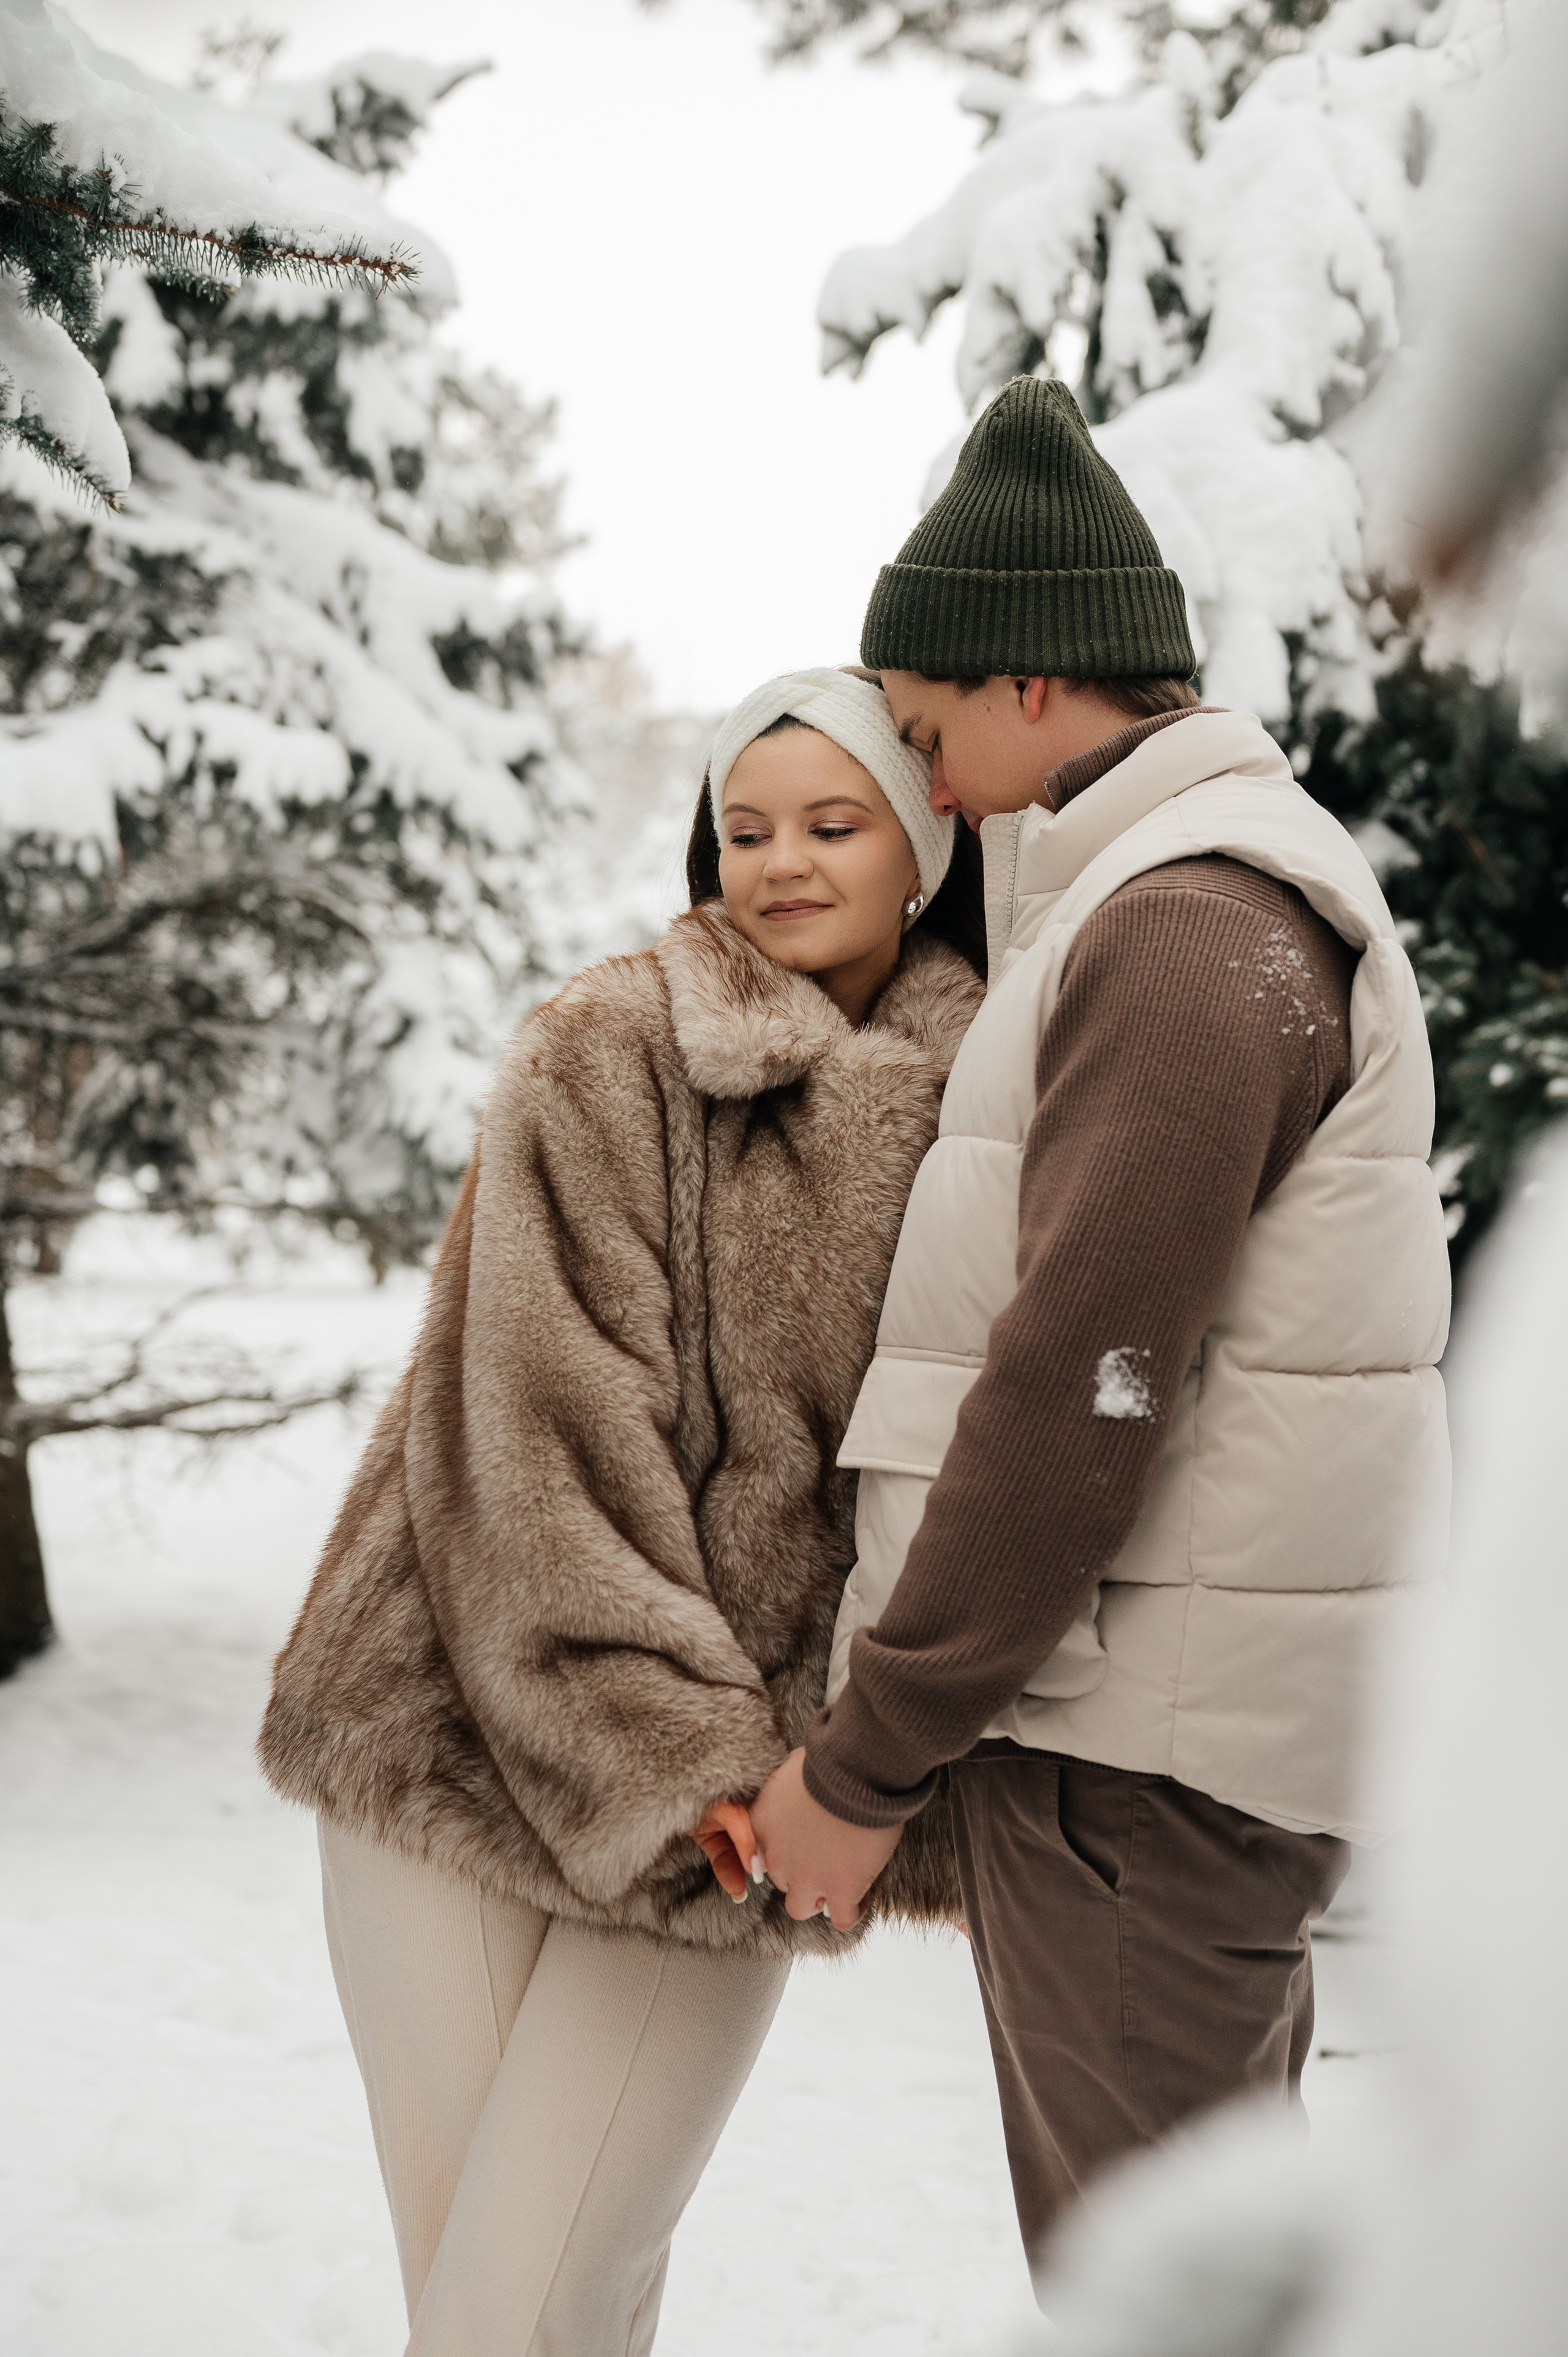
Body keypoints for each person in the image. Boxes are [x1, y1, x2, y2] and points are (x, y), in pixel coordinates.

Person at [751, 378, 1452, 2273]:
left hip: (1144, 1767)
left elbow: (1083, 1382)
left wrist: (865, 1762)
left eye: (928, 728)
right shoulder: (1170, 901)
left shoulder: (1188, 923)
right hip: (1161, 1744)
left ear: (1034, 683)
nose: (928, 779)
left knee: (1164, 2303)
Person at [257, 666, 986, 2356]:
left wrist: (785, 1781)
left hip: (727, 1821)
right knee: (505, 2307)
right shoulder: (609, 1046)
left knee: (531, 2306)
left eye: (832, 822)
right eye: (746, 826)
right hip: (439, 1738)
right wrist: (691, 1765)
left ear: (925, 843)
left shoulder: (993, 1101)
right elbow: (542, 1438)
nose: (782, 861)